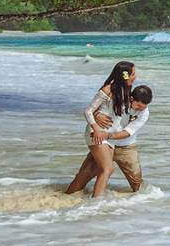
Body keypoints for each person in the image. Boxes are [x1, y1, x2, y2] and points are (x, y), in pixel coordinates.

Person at [64, 61, 150, 197]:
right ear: (124, 75)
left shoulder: (128, 91)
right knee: (107, 169)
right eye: (133, 74)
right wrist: (97, 126)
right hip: (97, 133)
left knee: (101, 170)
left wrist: (105, 132)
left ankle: (68, 196)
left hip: (110, 138)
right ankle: (96, 203)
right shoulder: (107, 90)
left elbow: (117, 117)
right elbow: (88, 111)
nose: (135, 76)